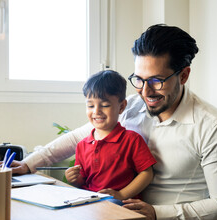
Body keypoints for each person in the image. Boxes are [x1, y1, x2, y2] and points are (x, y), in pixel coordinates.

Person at [0, 24, 217, 220]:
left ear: (184, 75)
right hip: (115, 212)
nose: (145, 92)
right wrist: (27, 165)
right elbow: (79, 136)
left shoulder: (214, 128)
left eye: (157, 81)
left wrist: (157, 214)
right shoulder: (133, 106)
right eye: (139, 79)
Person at [65, 70, 156, 202]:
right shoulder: (82, 145)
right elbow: (82, 180)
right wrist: (74, 179)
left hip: (119, 203)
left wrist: (122, 195)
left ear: (121, 107)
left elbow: (147, 173)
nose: (96, 111)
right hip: (90, 201)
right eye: (90, 105)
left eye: (105, 105)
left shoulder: (132, 140)